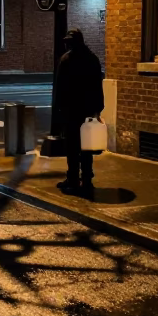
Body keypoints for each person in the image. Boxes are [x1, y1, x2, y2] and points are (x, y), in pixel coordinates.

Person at [54, 28, 104, 196]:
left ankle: (73, 179)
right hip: (88, 109)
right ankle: (87, 179)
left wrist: (59, 108)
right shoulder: (92, 59)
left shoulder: (66, 59)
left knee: (72, 146)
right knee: (87, 146)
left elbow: (60, 87)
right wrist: (98, 108)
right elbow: (98, 85)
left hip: (72, 110)